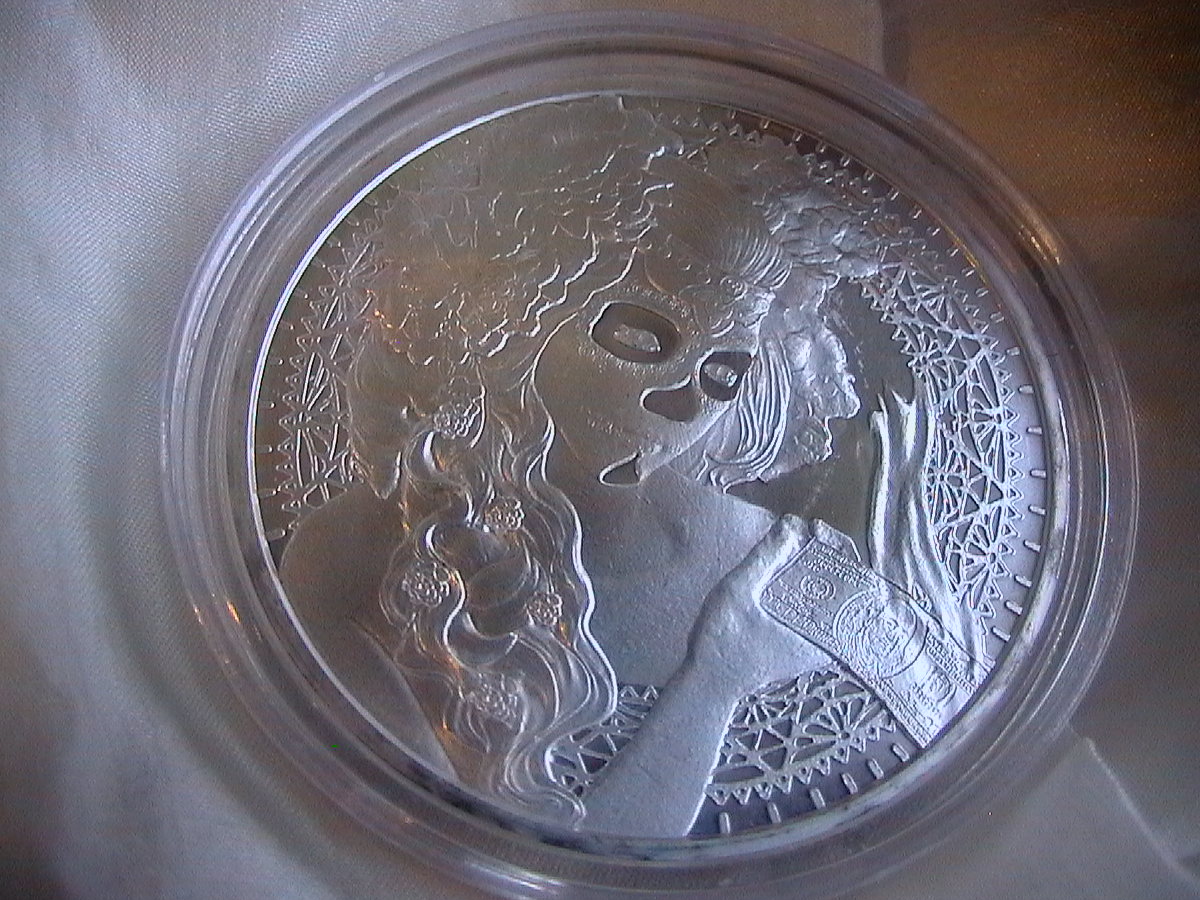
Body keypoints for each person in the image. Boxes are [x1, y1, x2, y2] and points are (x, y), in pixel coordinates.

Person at [281, 97, 979, 836]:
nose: (684, 400)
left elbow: (958, 772)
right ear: (517, 318)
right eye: (644, 339)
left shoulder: (794, 570)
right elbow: (454, 859)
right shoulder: (357, 555)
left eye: (723, 372)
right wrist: (714, 684)